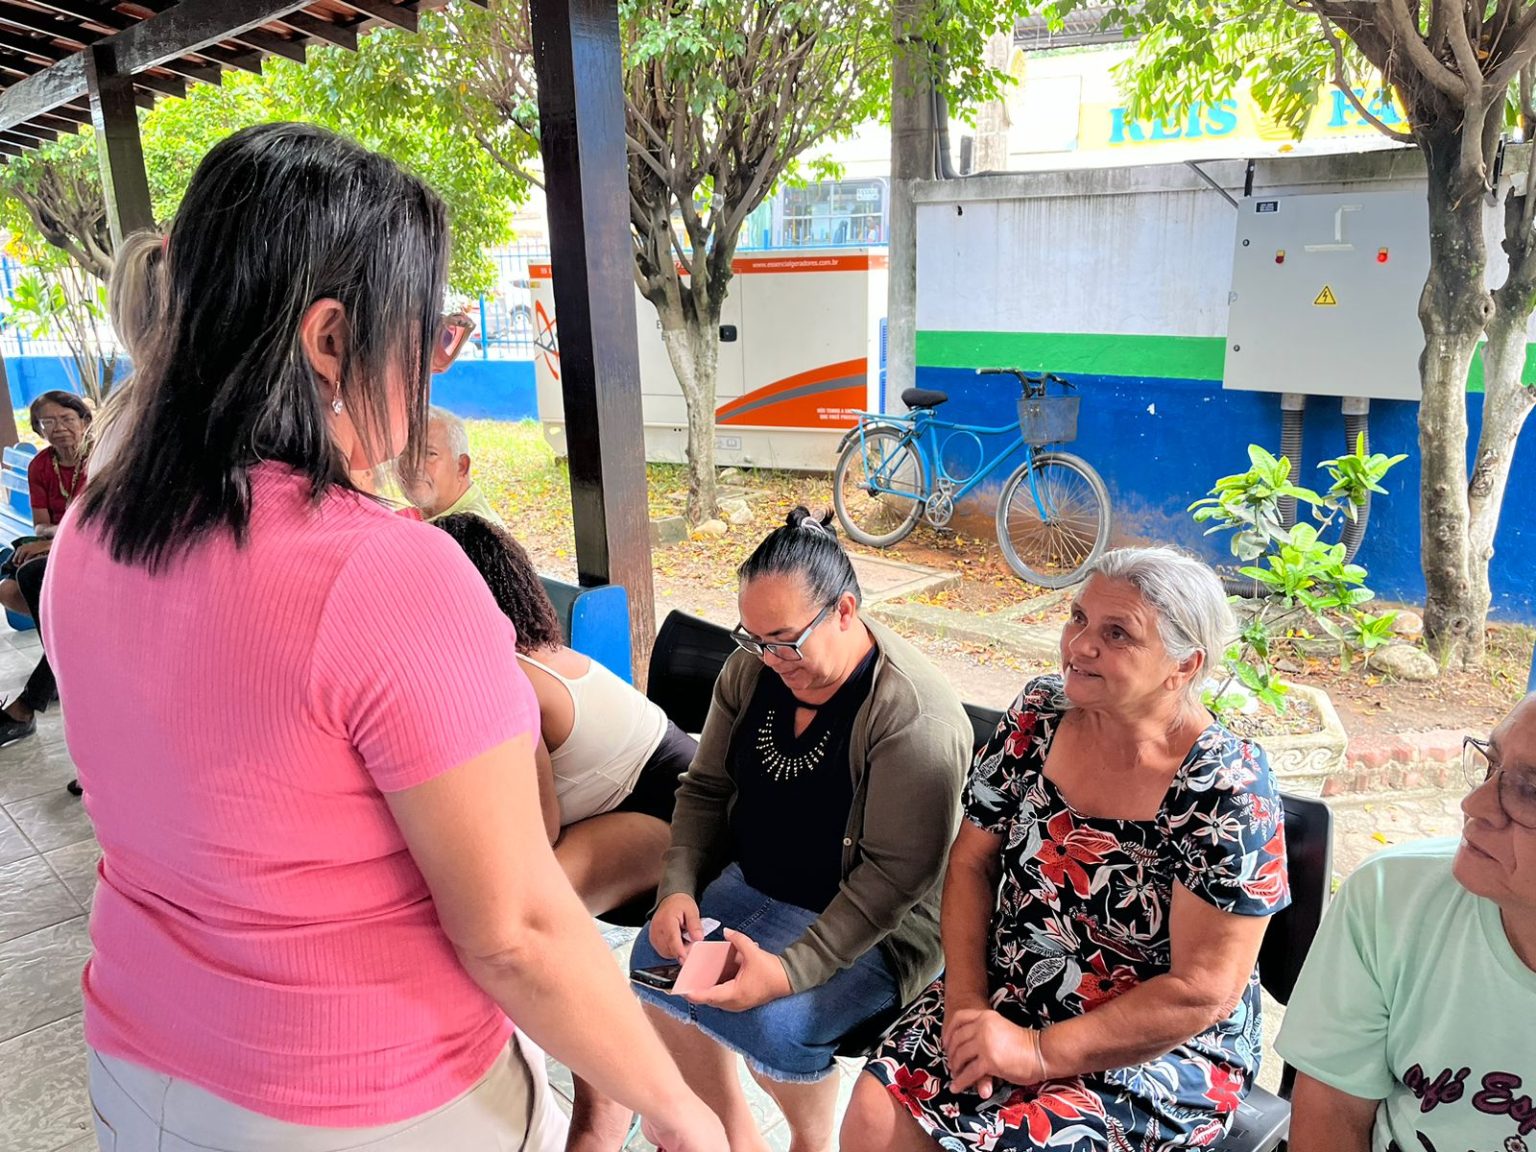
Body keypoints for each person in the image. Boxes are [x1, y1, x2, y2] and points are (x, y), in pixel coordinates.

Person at [42, 123, 724, 1152]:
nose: (432, 369)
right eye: (428, 335)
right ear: (330, 341)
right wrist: (682, 1114)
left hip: (137, 1063)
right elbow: (515, 932)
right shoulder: (386, 573)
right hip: (361, 1098)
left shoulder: (93, 530)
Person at [843, 546, 1292, 1152]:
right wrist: (967, 1004)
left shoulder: (1225, 788)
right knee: (874, 1117)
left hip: (1151, 1042)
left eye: (1117, 633)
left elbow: (1202, 991)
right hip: (1012, 984)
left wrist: (1036, 1053)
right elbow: (971, 862)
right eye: (1078, 617)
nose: (1080, 645)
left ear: (1183, 666)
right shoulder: (1040, 714)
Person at [629, 507, 974, 1152]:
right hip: (759, 879)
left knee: (777, 1024)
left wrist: (789, 972)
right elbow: (706, 789)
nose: (770, 658)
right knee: (653, 963)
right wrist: (677, 886)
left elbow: (895, 880)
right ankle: (734, 1132)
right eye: (754, 639)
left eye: (786, 640)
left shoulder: (913, 719)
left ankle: (809, 1141)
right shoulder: (753, 668)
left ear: (845, 611)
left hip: (876, 921)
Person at [437, 511, 700, 1151]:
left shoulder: (510, 679)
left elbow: (538, 827)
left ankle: (605, 1098)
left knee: (530, 920)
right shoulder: (520, 654)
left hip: (674, 817)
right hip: (634, 803)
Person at [1276, 693, 1536, 1152]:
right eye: (1491, 764)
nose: (1473, 804)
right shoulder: (1391, 897)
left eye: (1530, 792)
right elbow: (1332, 1110)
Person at [0, 390, 93, 747]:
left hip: (98, 550)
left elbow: (100, 524)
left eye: (67, 419)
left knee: (33, 577)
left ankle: (30, 702)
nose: (59, 428)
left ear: (84, 421)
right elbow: (40, 524)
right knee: (18, 582)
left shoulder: (102, 458)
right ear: (38, 429)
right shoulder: (41, 465)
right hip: (64, 548)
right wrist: (52, 539)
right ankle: (59, 673)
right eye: (48, 422)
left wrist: (54, 539)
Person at [401, 404, 504, 525]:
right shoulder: (431, 516)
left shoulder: (470, 528)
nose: (412, 465)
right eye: (404, 454)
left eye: (430, 454)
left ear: (461, 467)